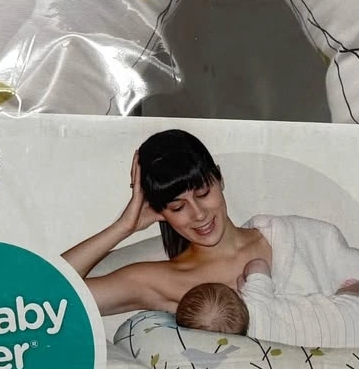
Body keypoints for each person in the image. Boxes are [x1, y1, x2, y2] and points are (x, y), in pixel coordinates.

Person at [61, 129, 272, 317]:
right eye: (177, 207)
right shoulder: (161, 280)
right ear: (160, 212)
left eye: (203, 193)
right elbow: (46, 296)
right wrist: (123, 227)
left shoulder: (281, 237)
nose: (199, 214)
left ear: (220, 178)